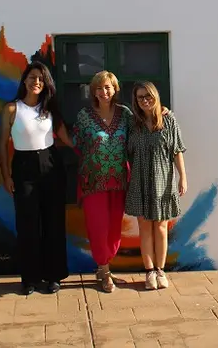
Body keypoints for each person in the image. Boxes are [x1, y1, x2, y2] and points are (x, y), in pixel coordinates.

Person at [0, 61, 73, 296]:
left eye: (41, 78)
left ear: (46, 82)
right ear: (25, 81)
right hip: (23, 168)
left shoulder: (50, 109)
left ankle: (54, 277)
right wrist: (6, 176)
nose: (36, 82)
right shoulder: (12, 109)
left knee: (53, 223)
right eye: (32, 78)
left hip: (51, 167)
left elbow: (69, 140)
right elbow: (1, 145)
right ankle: (29, 279)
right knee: (27, 225)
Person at [70, 71, 134, 293]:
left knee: (114, 229)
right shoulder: (84, 115)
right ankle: (104, 270)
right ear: (93, 91)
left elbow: (138, 136)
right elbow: (76, 143)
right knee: (98, 226)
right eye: (99, 88)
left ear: (115, 89)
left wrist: (161, 113)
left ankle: (105, 266)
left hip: (119, 180)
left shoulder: (125, 115)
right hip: (93, 180)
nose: (104, 92)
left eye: (108, 87)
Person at [125, 81, 187, 290]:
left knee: (161, 227)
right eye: (140, 97)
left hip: (163, 179)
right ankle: (149, 271)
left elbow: (177, 150)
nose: (144, 101)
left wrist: (183, 177)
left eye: (148, 96)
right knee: (144, 227)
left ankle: (160, 270)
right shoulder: (133, 123)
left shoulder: (168, 120)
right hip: (140, 180)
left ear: (155, 96)